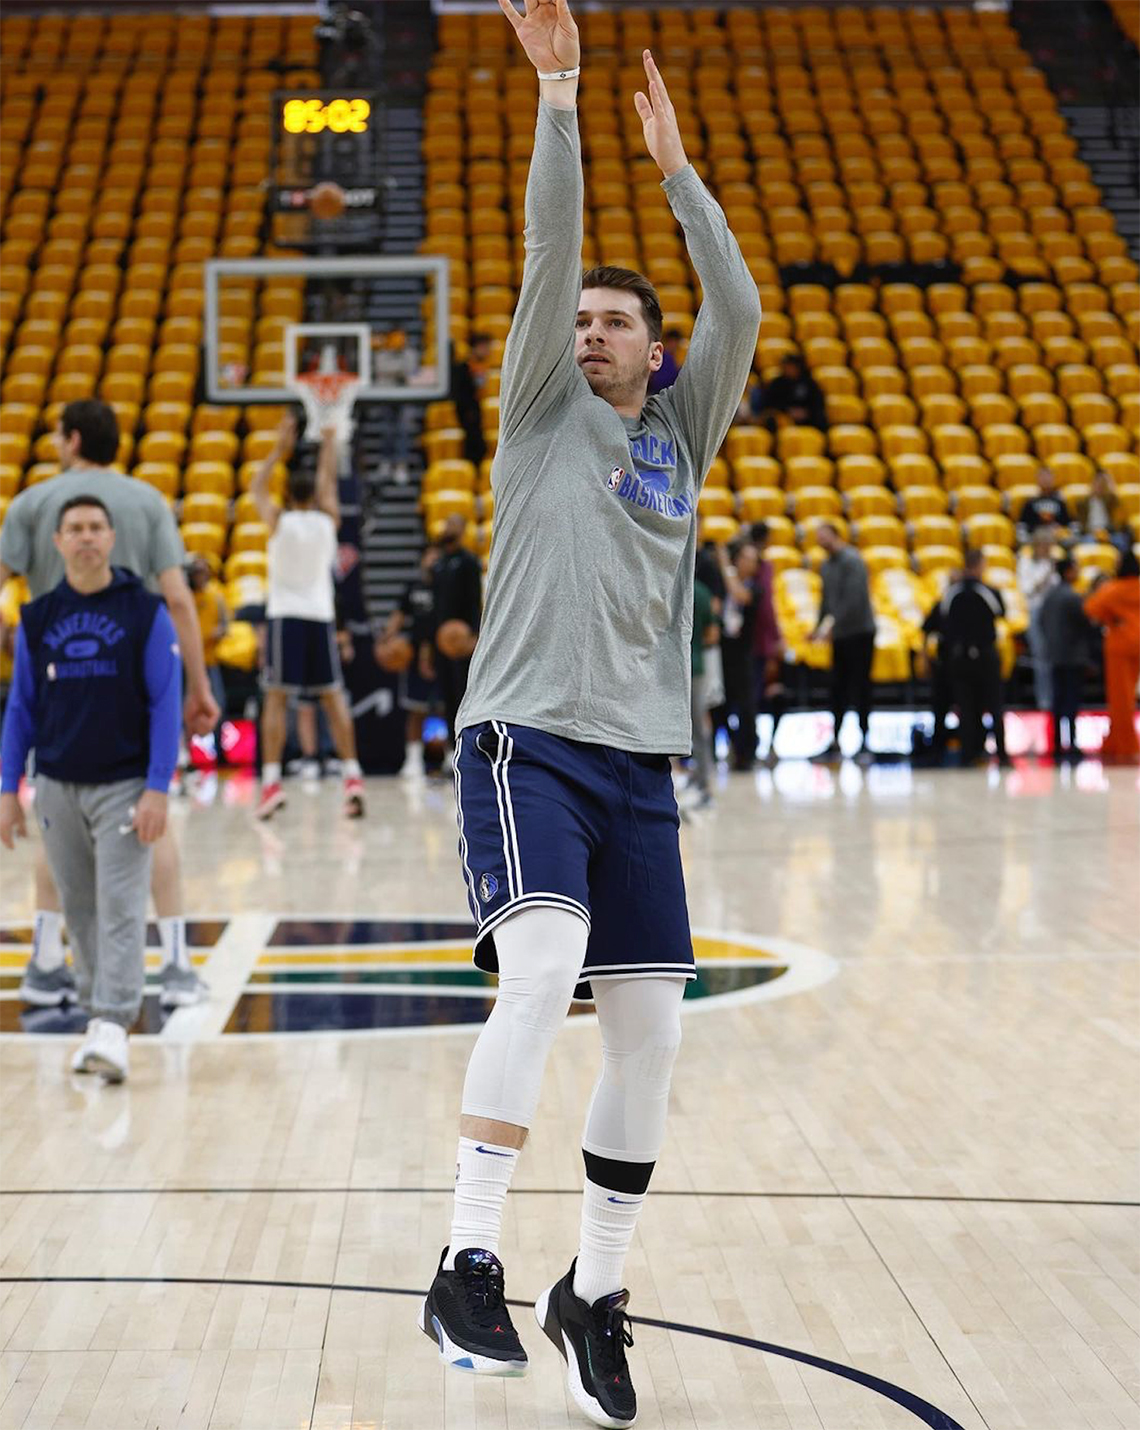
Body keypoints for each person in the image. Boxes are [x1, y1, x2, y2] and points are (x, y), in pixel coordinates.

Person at [419, 9, 760, 1429]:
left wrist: (680, 175)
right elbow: (551, 245)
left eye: (618, 320)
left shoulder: (680, 435)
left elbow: (736, 309)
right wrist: (559, 93)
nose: (592, 329)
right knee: (543, 956)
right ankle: (469, 1253)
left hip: (639, 761)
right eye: (583, 321)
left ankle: (592, 1294)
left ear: (654, 347)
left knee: (652, 1034)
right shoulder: (543, 410)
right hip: (525, 734)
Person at [0, 399, 214, 1009]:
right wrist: (197, 686)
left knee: (57, 824)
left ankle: (45, 961)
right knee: (149, 823)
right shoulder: (145, 501)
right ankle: (174, 964)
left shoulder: (32, 503)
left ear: (70, 439)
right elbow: (177, 600)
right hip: (133, 685)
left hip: (61, 684)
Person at [0, 496, 181, 1080]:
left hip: (124, 784)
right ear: (57, 542)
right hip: (56, 784)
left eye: (96, 528)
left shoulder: (145, 610)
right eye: (74, 529)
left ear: (111, 537)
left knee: (122, 904)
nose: (85, 538)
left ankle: (112, 1023)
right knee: (78, 908)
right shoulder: (37, 616)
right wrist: (9, 788)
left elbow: (165, 705)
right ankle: (98, 1019)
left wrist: (158, 787)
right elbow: (20, 708)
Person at [252, 416, 366, 820]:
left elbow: (255, 488)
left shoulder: (278, 520)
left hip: (285, 618)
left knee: (277, 700)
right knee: (333, 698)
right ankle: (352, 778)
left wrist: (279, 450)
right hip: (319, 618)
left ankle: (270, 783)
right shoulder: (325, 521)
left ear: (286, 492)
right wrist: (328, 445)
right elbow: (329, 484)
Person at [809, 522, 876, 763]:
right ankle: (835, 741)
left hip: (860, 633)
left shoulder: (853, 560)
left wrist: (832, 626)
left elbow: (855, 599)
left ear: (836, 535)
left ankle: (865, 743)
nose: (820, 541)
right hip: (841, 636)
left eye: (823, 535)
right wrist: (818, 628)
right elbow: (826, 601)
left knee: (861, 688)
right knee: (837, 688)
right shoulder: (826, 566)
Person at [939, 548, 1011, 767]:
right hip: (985, 655)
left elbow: (942, 618)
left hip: (960, 657)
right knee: (995, 705)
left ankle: (968, 754)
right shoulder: (988, 591)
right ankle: (1002, 754)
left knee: (966, 707)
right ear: (979, 565)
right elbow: (1002, 613)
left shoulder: (951, 592)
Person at [375, 542, 442, 776]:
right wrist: (385, 639)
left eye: (437, 557)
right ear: (422, 560)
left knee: (449, 708)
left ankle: (452, 756)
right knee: (416, 709)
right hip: (414, 652)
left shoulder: (448, 585)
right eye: (429, 556)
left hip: (443, 652)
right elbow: (398, 617)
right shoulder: (413, 588)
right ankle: (413, 760)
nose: (433, 561)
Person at [1083, 549, 1140, 764]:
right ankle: (1116, 741)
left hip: (1119, 646)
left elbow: (1090, 609)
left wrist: (1111, 617)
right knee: (1130, 696)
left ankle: (1125, 745)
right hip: (1138, 645)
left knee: (1120, 699)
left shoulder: (1114, 589)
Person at [431, 512, 482, 751]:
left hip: (463, 639)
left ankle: (468, 747)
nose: (449, 527)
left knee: (464, 695)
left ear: (462, 529)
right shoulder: (438, 563)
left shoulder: (470, 561)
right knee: (446, 696)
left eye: (454, 523)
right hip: (441, 640)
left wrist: (474, 634)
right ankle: (450, 751)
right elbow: (434, 605)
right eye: (447, 522)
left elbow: (475, 601)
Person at [1039, 556, 1093, 764]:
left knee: (1057, 700)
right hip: (1072, 657)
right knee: (1071, 701)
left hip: (1054, 656)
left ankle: (1057, 745)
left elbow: (1042, 622)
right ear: (1068, 572)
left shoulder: (1049, 595)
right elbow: (1086, 623)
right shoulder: (1072, 597)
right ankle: (1071, 744)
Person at [718, 539, 760, 771]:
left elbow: (739, 594)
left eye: (753, 560)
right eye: (746, 558)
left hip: (743, 655)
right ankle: (732, 746)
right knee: (720, 705)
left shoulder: (755, 586)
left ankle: (748, 753)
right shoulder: (721, 582)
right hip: (722, 651)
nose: (750, 563)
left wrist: (725, 565)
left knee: (746, 706)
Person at [750, 521, 786, 766]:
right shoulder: (759, 568)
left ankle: (764, 746)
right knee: (750, 699)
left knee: (766, 695)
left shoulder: (764, 567)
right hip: (754, 643)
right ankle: (749, 748)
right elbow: (766, 608)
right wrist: (777, 637)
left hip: (759, 642)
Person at [1017, 525, 1059, 712]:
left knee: (1054, 658)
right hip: (1035, 612)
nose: (1047, 549)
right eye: (1044, 545)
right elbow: (1027, 590)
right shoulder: (1026, 563)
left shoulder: (1052, 564)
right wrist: (1045, 576)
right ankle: (1044, 701)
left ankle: (1056, 698)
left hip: (1053, 613)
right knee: (1041, 657)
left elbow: (1057, 588)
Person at [186, 553, 229, 735]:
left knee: (218, 704)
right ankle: (185, 752)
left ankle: (219, 751)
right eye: (197, 572)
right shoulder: (185, 597)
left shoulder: (216, 596)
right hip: (187, 662)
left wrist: (216, 633)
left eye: (204, 572)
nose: (201, 576)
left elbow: (225, 626)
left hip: (210, 661)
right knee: (184, 706)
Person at [687, 562, 717, 806]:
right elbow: (712, 634)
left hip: (669, 670)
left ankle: (699, 780)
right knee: (699, 727)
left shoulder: (671, 586)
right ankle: (703, 780)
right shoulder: (703, 592)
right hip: (696, 666)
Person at [749, 352, 826, 432]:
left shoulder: (809, 383)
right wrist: (787, 411)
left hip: (808, 419)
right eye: (786, 366)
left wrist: (806, 412)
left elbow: (818, 402)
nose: (788, 369)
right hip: (783, 418)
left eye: (790, 366)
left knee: (820, 418)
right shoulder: (777, 383)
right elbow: (769, 403)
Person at [450, 334, 492, 467]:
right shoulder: (464, 368)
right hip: (468, 412)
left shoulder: (480, 367)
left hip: (476, 409)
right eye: (485, 347)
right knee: (474, 444)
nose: (488, 351)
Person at [1075, 470, 1127, 547]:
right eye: (1097, 483)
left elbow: (1119, 523)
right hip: (1090, 533)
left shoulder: (1112, 501)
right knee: (1087, 543)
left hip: (1109, 533)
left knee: (1121, 542)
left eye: (1103, 484)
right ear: (1092, 484)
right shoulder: (1082, 502)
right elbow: (1081, 523)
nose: (1099, 486)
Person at [1017, 467, 1070, 540]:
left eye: (1048, 476)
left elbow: (1067, 524)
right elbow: (1022, 525)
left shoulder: (1060, 502)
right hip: (1035, 539)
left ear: (1053, 479)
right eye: (1042, 476)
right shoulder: (1030, 502)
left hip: (1057, 538)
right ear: (1037, 479)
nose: (1045, 479)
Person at [647, 327, 683, 394]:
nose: (673, 345)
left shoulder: (679, 358)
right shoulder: (658, 356)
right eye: (671, 342)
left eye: (676, 342)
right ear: (666, 342)